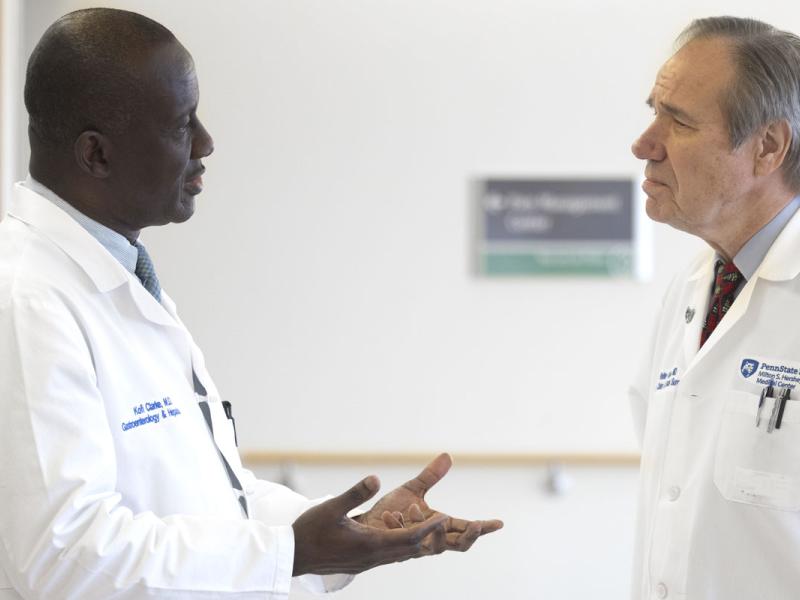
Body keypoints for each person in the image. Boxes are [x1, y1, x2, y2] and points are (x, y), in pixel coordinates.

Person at [0, 8, 502, 599]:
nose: (207, 144)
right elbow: (61, 559)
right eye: (182, 125)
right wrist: (289, 552)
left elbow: (215, 498)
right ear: (97, 155)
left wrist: (350, 532)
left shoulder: (120, 278)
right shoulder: (25, 297)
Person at [630, 15, 800, 600]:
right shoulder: (690, 290)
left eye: (676, 121)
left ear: (768, 148)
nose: (644, 144)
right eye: (654, 109)